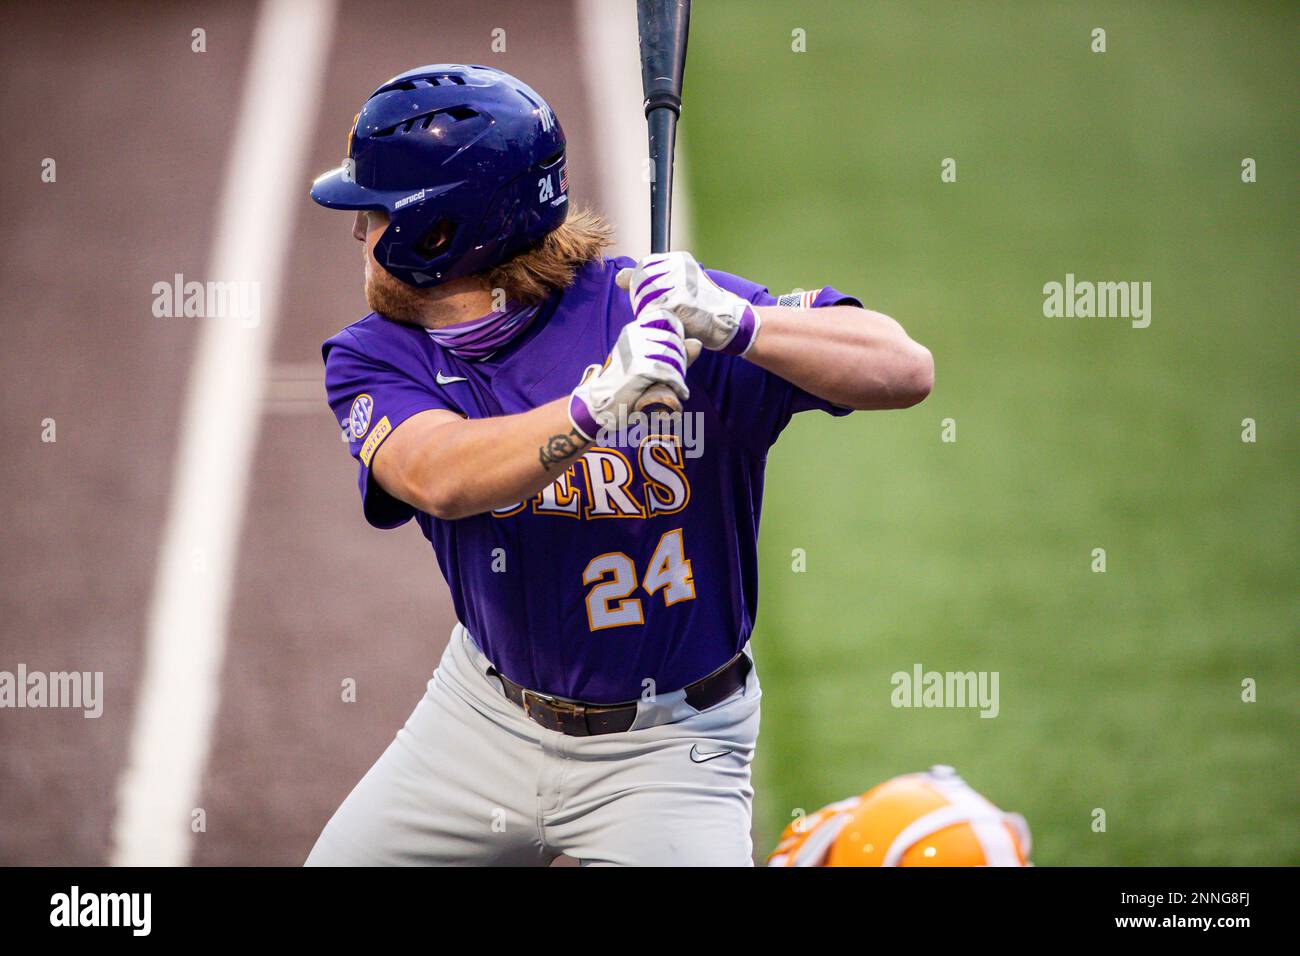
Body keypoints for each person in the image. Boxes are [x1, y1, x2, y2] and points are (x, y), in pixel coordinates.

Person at [305, 63, 932, 866]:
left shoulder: (660, 312)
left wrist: (740, 323)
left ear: (438, 234)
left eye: (376, 215)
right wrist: (595, 406)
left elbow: (905, 368)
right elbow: (440, 475)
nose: (360, 233)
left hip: (670, 752)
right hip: (480, 723)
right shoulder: (376, 354)